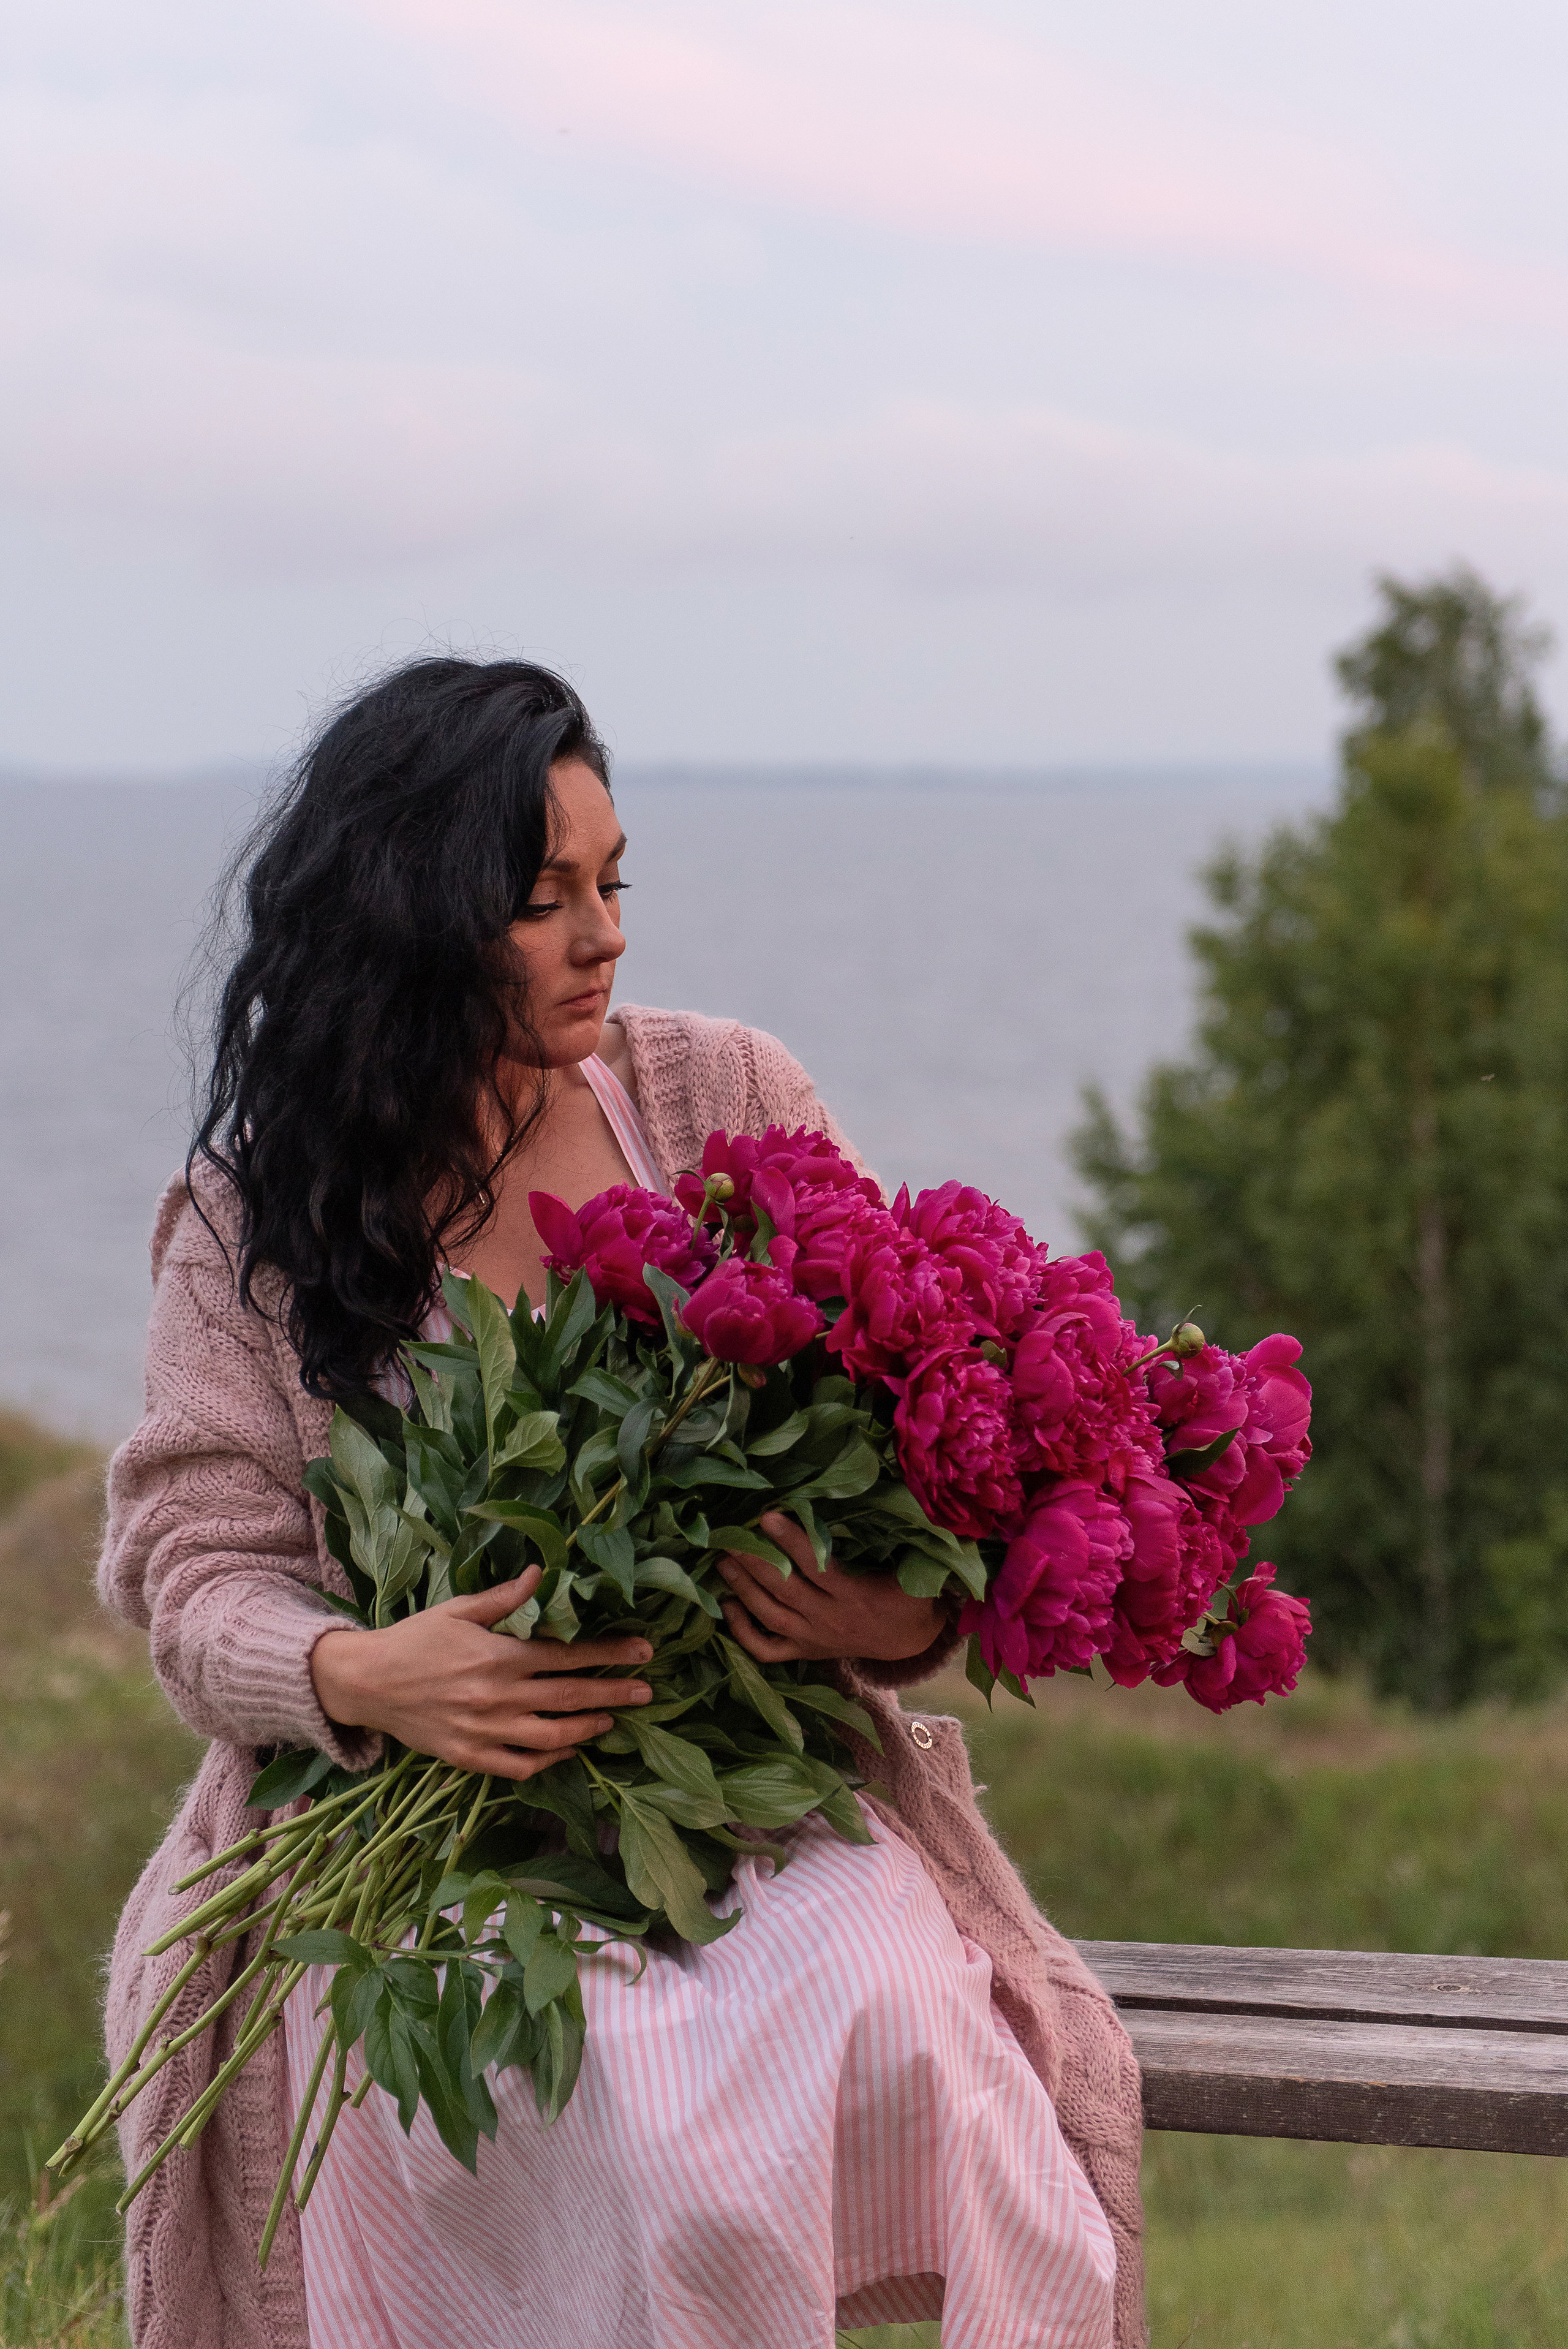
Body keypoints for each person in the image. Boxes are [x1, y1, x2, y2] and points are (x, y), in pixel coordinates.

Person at [99, 658, 1145, 2349]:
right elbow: (193, 1570)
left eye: (612, 881)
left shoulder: (723, 1100)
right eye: (544, 899)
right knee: (627, 2105)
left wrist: (892, 1613)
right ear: (412, 920)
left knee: (908, 2011)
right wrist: (361, 1677)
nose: (605, 937)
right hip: (420, 1847)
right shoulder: (253, 1214)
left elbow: (913, 1445)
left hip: (745, 1809)